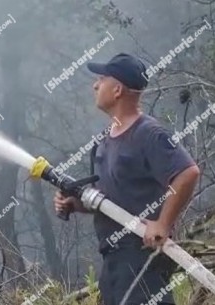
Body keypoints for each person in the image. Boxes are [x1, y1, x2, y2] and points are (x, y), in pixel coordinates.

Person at [53, 53, 200, 305]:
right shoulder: (103, 142)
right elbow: (108, 200)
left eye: (101, 79)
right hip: (113, 262)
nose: (95, 85)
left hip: (141, 258)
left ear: (118, 89)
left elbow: (188, 173)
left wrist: (162, 224)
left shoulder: (149, 134)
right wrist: (75, 204)